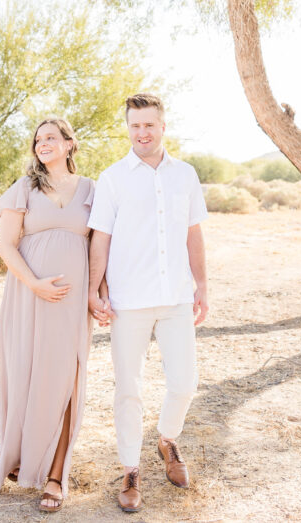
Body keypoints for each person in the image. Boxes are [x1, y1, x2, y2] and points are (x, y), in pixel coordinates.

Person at [86, 93, 209, 514]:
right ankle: (131, 469)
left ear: (162, 126)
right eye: (135, 125)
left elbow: (193, 234)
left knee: (184, 383)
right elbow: (100, 237)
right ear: (128, 128)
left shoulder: (186, 175)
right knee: (129, 389)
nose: (142, 132)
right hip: (127, 300)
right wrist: (94, 288)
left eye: (149, 125)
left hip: (176, 296)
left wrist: (202, 285)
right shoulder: (113, 177)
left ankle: (167, 439)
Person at [0, 118, 96, 514]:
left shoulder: (91, 191)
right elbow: (6, 246)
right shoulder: (25, 188)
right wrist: (35, 284)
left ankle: (55, 476)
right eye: (37, 140)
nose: (42, 144)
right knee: (26, 375)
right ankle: (20, 458)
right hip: (28, 296)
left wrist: (98, 294)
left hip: (72, 301)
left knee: (66, 377)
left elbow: (101, 247)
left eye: (51, 137)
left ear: (69, 144)